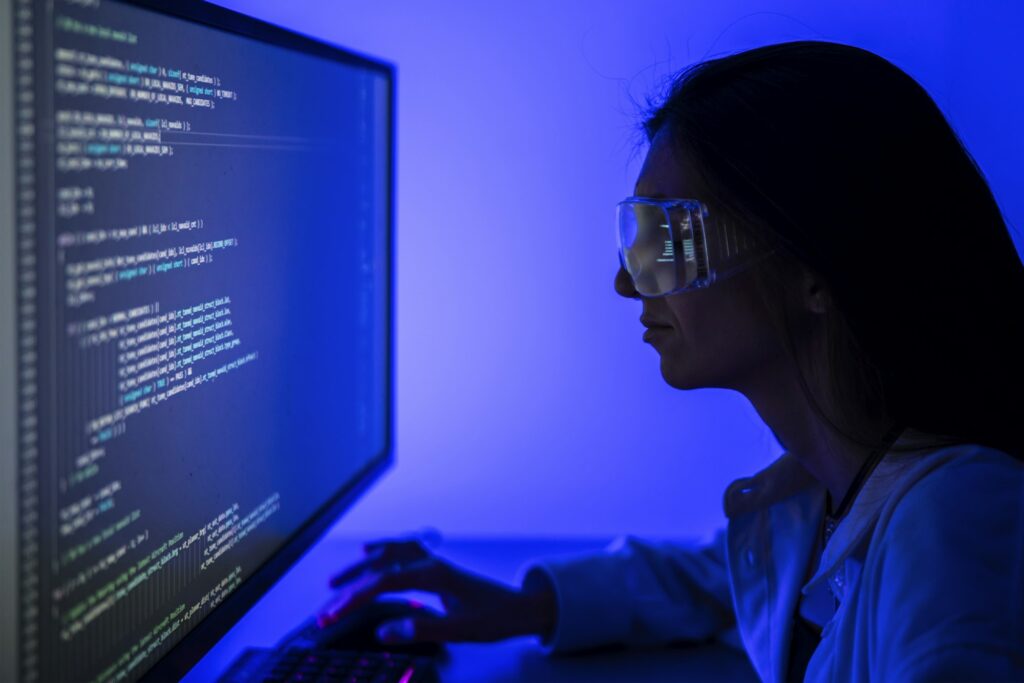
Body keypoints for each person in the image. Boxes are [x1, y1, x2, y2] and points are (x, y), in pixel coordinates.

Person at [323, 41, 1024, 681]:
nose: (626, 282)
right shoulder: (827, 494)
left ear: (815, 265)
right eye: (637, 234)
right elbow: (716, 582)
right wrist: (526, 605)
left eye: (669, 235)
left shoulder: (952, 532)